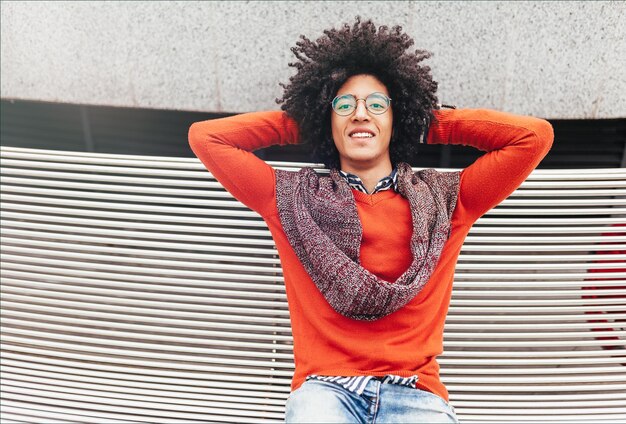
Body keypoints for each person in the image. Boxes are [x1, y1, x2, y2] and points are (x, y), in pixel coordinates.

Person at [188, 17, 553, 424]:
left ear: (397, 117)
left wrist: (421, 123)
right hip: (325, 390)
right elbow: (207, 138)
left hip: (416, 392)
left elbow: (533, 137)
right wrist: (312, 123)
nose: (360, 114)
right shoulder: (291, 200)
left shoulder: (448, 201)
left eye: (377, 105)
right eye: (344, 105)